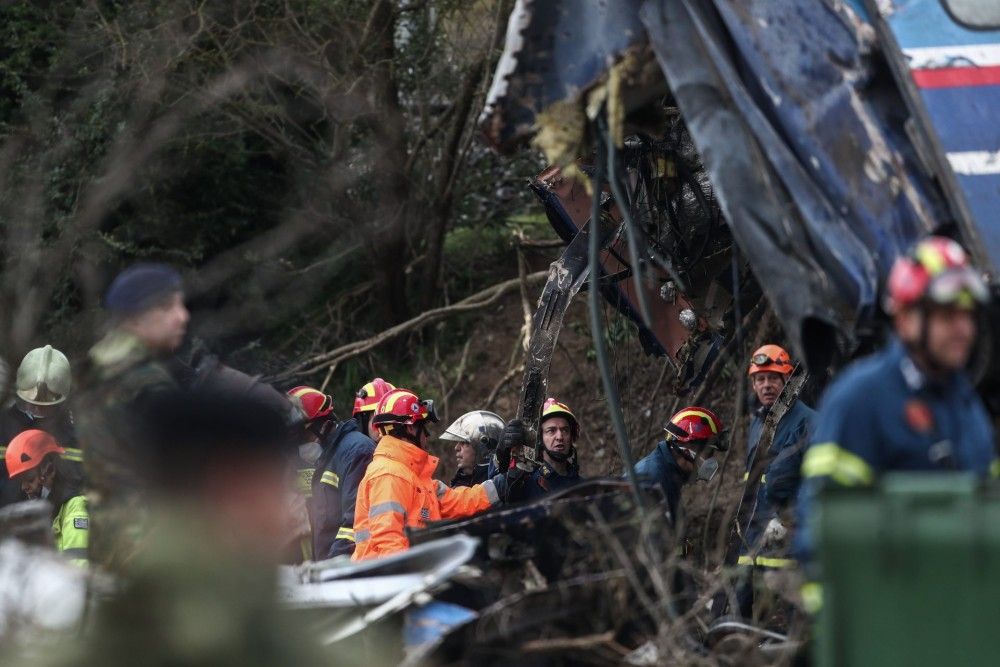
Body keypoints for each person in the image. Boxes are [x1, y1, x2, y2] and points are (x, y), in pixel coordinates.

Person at [795, 237, 997, 597]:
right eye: (949, 316)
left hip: (962, 621)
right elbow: (824, 529)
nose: (964, 330)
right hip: (890, 626)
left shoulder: (967, 406)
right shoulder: (861, 399)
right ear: (905, 319)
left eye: (968, 316)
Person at [75, 262, 189, 572]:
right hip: (153, 547)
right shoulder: (145, 381)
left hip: (107, 540)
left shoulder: (96, 370)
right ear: (138, 317)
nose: (182, 316)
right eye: (169, 307)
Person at [352, 388, 525, 560]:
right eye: (423, 426)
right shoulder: (389, 475)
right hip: (389, 580)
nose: (427, 436)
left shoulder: (413, 477)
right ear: (411, 428)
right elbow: (389, 542)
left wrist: (501, 484)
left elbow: (459, 502)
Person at [736, 344, 816, 619]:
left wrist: (792, 519)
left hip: (788, 533)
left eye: (773, 378)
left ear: (786, 381)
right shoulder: (759, 423)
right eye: (760, 379)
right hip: (754, 529)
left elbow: (817, 480)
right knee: (741, 598)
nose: (766, 385)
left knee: (797, 608)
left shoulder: (808, 422)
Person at [291, 382, 381, 560]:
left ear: (323, 426)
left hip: (346, 569)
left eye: (302, 436)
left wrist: (332, 565)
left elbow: (354, 521)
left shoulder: (357, 451)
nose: (299, 444)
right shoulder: (326, 456)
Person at [0, 345, 80, 507]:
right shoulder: (4, 426)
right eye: (30, 403)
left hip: (60, 522)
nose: (36, 409)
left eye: (44, 405)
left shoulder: (76, 433)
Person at [5, 429, 89, 566]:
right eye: (21, 481)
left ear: (50, 470)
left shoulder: (75, 508)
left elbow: (78, 568)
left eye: (29, 479)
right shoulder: (47, 510)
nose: (24, 487)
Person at [633, 406, 725, 522]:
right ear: (687, 450)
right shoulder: (653, 479)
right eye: (709, 452)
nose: (710, 460)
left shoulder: (668, 473)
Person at [494, 398, 584, 500]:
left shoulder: (584, 487)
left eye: (565, 430)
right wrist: (501, 456)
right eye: (551, 431)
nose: (560, 437)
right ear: (539, 438)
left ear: (571, 436)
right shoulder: (523, 484)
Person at [441, 410, 504, 487]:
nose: (456, 448)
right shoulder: (459, 483)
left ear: (482, 449)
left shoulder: (503, 488)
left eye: (464, 442)